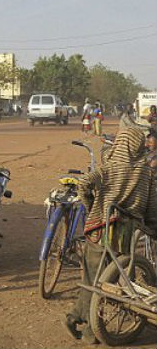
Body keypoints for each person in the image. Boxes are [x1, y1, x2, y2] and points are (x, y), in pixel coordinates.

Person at [64, 128, 157, 343]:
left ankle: (79, 319)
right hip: (125, 233)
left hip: (100, 228)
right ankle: (85, 325)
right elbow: (152, 206)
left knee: (93, 277)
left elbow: (84, 184)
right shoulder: (145, 172)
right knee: (110, 279)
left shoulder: (109, 167)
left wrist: (92, 208)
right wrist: (152, 227)